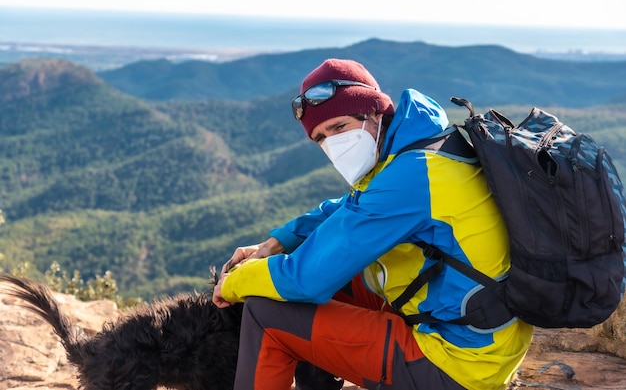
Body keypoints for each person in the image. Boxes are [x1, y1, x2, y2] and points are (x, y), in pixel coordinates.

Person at [212, 58, 534, 390]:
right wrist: (276, 243)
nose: (332, 144)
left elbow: (305, 279)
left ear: (374, 113)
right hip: (483, 336)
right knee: (333, 280)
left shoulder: (409, 177)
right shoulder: (423, 148)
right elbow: (349, 207)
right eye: (320, 137)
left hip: (460, 365)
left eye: (339, 128)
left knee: (266, 313)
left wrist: (235, 281)